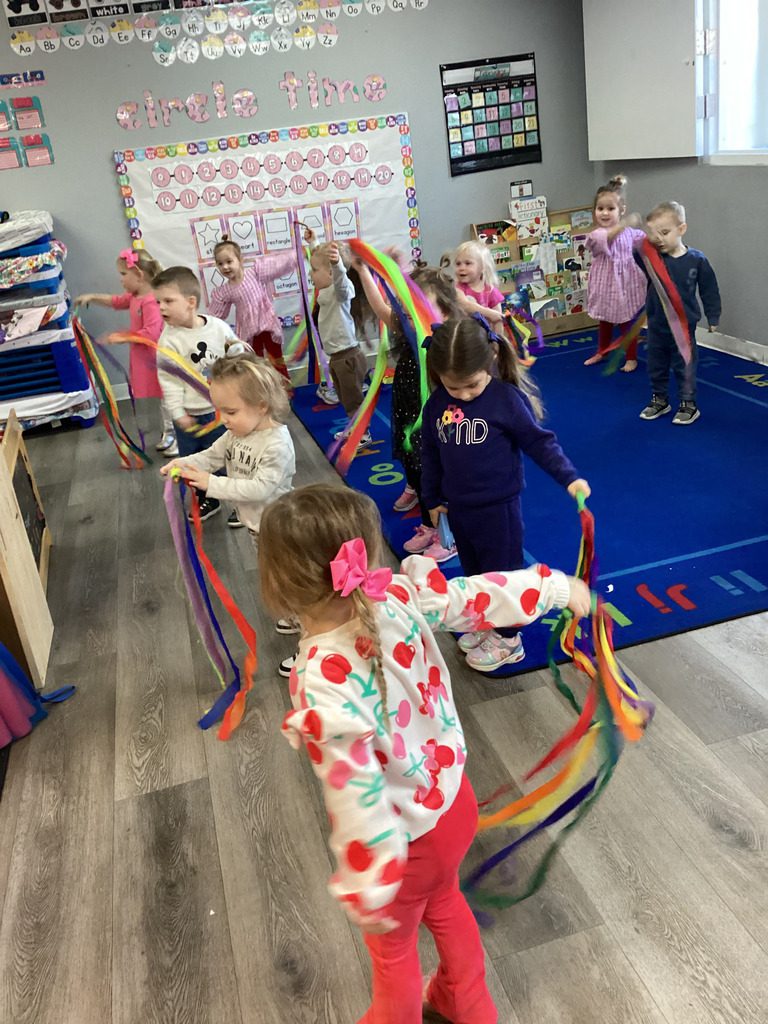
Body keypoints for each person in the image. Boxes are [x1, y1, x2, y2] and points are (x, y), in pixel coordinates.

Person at [258, 482, 591, 1024]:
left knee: (393, 955)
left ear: (276, 584)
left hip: (405, 844)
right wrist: (553, 587)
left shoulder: (319, 680)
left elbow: (356, 790)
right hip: (454, 805)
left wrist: (369, 881)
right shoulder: (396, 596)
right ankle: (468, 1002)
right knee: (445, 901)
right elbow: (476, 596)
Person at [421, 315, 591, 673]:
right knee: (475, 574)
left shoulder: (506, 400)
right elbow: (431, 454)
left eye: (471, 385)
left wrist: (569, 477)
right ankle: (485, 621)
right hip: (459, 509)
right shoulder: (436, 405)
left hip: (499, 510)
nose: (463, 395)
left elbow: (539, 442)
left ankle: (508, 639)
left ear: (492, 360)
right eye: (453, 388)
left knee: (504, 575)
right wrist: (432, 498)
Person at [353, 258, 460, 561]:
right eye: (408, 308)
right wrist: (363, 271)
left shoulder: (446, 341)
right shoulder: (408, 330)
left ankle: (448, 535)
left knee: (435, 474)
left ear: (445, 311)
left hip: (435, 421)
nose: (412, 315)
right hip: (407, 413)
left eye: (421, 307)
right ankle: (428, 524)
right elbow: (380, 308)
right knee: (415, 468)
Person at [160, 348, 295, 541]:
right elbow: (212, 456)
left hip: (279, 529)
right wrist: (183, 464)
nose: (223, 419)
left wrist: (211, 483)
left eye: (231, 412)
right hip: (254, 525)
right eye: (219, 410)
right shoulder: (235, 434)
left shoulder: (277, 444)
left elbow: (259, 489)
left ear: (262, 406)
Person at [153, 265, 237, 523]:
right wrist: (178, 413)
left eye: (168, 301)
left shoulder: (217, 327)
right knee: (193, 461)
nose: (161, 308)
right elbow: (169, 380)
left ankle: (240, 501)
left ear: (190, 302)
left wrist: (238, 351)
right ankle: (207, 498)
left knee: (228, 456)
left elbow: (235, 352)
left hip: (220, 412)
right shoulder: (168, 341)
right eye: (158, 302)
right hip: (189, 416)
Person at [76, 248, 177, 455]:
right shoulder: (135, 296)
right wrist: (92, 297)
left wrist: (123, 336)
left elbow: (151, 334)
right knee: (162, 397)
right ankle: (169, 433)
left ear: (139, 275)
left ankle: (175, 435)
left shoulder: (151, 301)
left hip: (157, 359)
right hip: (146, 359)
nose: (121, 279)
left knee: (168, 397)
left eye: (123, 274)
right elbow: (116, 301)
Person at [636, 200, 721, 425]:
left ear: (681, 229)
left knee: (685, 366)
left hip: (683, 327)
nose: (659, 239)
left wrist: (713, 316)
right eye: (654, 234)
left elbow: (709, 289)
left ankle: (688, 403)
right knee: (656, 364)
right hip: (657, 325)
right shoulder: (653, 260)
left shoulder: (697, 260)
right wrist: (642, 232)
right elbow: (636, 251)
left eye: (665, 233)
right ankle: (660, 399)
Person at [207, 236, 295, 387]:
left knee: (276, 359)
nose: (225, 267)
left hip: (267, 325)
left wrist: (297, 255)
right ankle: (262, 389)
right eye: (220, 264)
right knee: (255, 364)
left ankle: (285, 388)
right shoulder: (225, 291)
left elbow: (277, 264)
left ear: (240, 260)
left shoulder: (255, 273)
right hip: (249, 331)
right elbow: (216, 315)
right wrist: (205, 325)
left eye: (229, 261)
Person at [310, 239, 371, 449]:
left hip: (348, 356)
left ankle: (363, 433)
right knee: (345, 398)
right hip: (337, 357)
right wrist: (314, 243)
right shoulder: (326, 289)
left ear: (330, 273)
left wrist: (337, 265)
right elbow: (322, 261)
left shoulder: (340, 292)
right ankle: (355, 427)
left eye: (314, 270)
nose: (311, 274)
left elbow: (340, 280)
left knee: (353, 399)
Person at [582, 174, 647, 372]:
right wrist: (625, 223)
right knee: (605, 319)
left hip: (625, 284)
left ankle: (631, 357)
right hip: (605, 284)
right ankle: (602, 351)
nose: (604, 213)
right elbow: (608, 237)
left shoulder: (630, 234)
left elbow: (646, 242)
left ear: (621, 209)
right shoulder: (597, 234)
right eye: (600, 208)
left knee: (626, 321)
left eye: (610, 209)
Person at [452, 241, 505, 325]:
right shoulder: (457, 288)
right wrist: (490, 313)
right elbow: (465, 305)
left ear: (482, 267)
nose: (461, 268)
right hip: (463, 331)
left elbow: (498, 319)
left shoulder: (491, 291)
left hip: (485, 332)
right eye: (458, 264)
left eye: (468, 263)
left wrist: (497, 333)